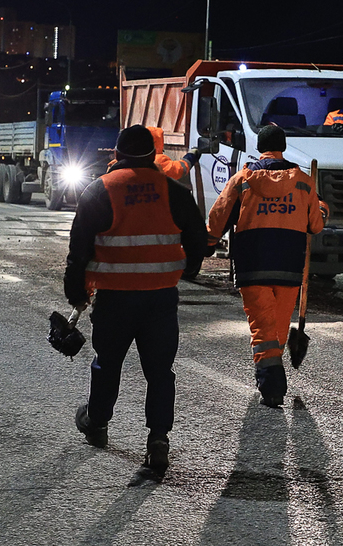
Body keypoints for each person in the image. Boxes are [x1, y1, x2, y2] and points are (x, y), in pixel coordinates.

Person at [65, 124, 207, 478]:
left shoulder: (99, 190)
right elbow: (198, 239)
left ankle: (96, 421)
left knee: (107, 364)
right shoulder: (173, 190)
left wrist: (76, 293)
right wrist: (187, 270)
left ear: (117, 154)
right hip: (160, 298)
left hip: (114, 299)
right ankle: (158, 440)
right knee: (160, 372)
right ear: (153, 154)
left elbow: (78, 251)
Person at [206, 125, 325, 407]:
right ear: (283, 147)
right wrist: (322, 209)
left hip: (253, 264)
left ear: (259, 147)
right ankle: (272, 374)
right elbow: (316, 226)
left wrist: (208, 242)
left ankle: (272, 385)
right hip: (289, 265)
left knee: (263, 329)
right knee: (277, 329)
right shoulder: (304, 183)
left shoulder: (243, 179)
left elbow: (219, 215)